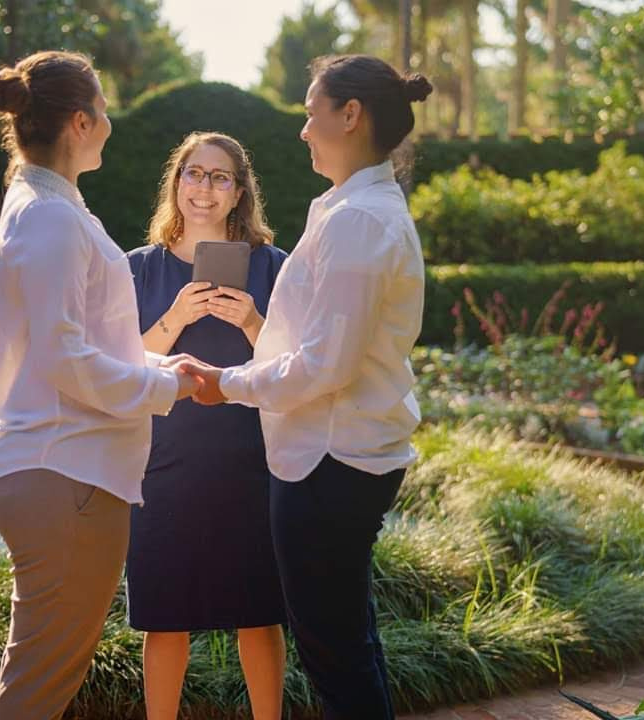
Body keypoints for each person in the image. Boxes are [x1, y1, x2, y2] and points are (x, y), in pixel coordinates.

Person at [185, 55, 433, 720]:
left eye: (309, 111)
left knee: (335, 655)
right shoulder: (352, 208)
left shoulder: (359, 221)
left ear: (350, 116)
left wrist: (226, 384)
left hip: (331, 461)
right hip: (339, 455)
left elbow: (326, 364)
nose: (302, 130)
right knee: (347, 643)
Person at [0, 50, 201, 720]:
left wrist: (165, 370)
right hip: (64, 473)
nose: (110, 120)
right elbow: (66, 359)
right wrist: (167, 389)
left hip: (64, 471)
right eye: (103, 107)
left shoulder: (47, 204)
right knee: (40, 684)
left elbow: (81, 347)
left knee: (43, 677)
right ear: (79, 121)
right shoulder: (49, 216)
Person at [125, 132, 288, 720]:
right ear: (176, 183)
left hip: (252, 464)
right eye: (194, 173)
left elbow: (298, 366)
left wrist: (252, 321)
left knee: (259, 613)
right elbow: (117, 366)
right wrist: (175, 318)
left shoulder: (273, 266)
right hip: (162, 465)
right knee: (164, 617)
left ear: (239, 193)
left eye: (220, 177)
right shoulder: (138, 269)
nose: (204, 188)